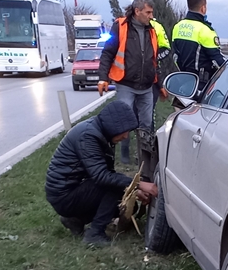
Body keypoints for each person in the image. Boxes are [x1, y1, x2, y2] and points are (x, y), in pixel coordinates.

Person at [45, 100, 157, 246]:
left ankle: (76, 220)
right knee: (112, 188)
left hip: (74, 189)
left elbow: (108, 172)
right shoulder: (88, 136)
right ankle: (94, 234)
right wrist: (139, 184)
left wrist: (132, 191)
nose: (125, 137)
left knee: (128, 205)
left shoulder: (102, 133)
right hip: (63, 195)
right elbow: (102, 177)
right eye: (124, 131)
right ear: (114, 125)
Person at [97, 0, 165, 165]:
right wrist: (102, 78)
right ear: (137, 11)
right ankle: (125, 157)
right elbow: (108, 53)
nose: (151, 16)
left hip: (147, 86)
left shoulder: (152, 31)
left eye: (152, 12)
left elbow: (153, 60)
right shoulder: (120, 27)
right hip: (126, 84)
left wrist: (161, 84)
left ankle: (145, 159)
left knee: (147, 123)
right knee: (125, 120)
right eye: (148, 12)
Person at [172, 0, 225, 88]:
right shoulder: (205, 30)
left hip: (184, 82)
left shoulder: (177, 27)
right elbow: (219, 62)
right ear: (203, 8)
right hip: (202, 85)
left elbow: (175, 57)